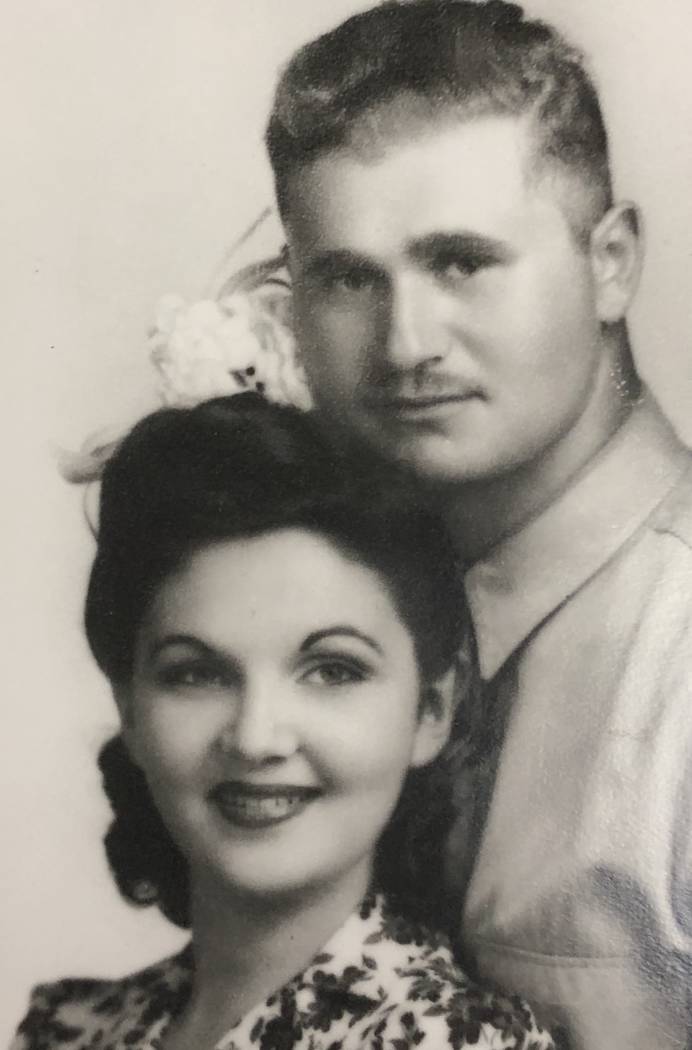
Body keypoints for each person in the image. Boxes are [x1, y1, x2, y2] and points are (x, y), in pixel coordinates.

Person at [264, 1, 692, 1046]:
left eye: (460, 261)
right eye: (349, 280)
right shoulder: (339, 606)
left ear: (610, 263)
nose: (406, 343)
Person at [11, 394, 554, 1050]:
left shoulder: (454, 1041)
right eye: (196, 673)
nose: (255, 737)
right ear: (129, 706)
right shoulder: (70, 1030)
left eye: (332, 670)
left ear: (432, 708)